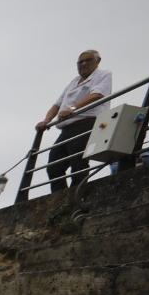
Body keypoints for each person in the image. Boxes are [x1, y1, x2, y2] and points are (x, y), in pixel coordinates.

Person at [37, 49, 112, 193]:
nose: (83, 64)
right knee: (54, 166)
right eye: (80, 62)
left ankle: (77, 194)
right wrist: (46, 120)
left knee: (78, 162)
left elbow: (97, 95)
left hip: (86, 122)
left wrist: (73, 108)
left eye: (88, 60)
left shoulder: (103, 75)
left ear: (97, 61)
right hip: (66, 127)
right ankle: (60, 196)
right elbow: (57, 104)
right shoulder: (74, 81)